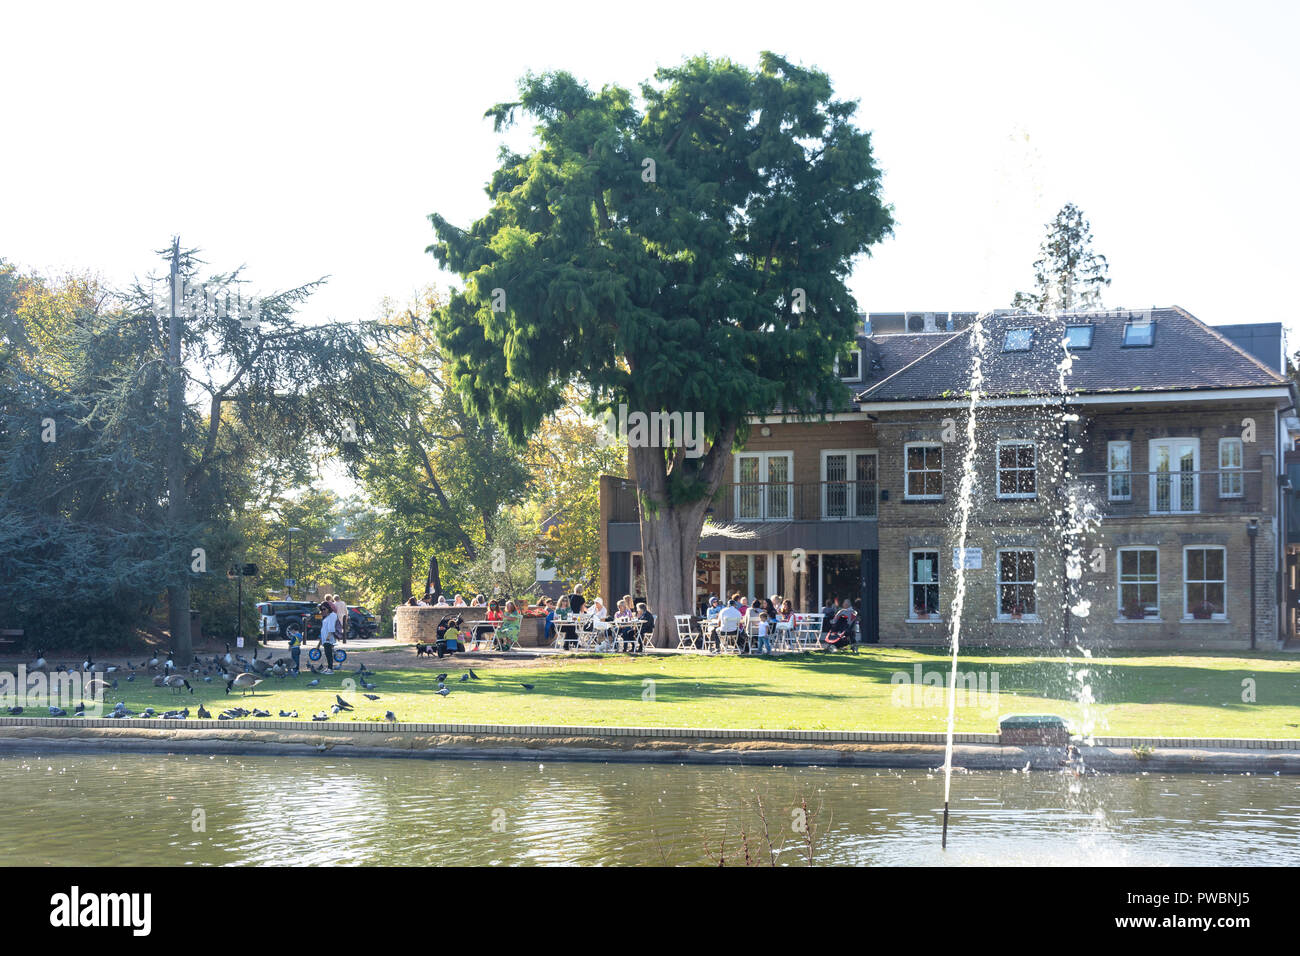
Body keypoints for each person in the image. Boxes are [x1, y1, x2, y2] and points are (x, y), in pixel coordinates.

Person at [318, 602, 338, 672]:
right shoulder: (327, 616)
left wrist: (328, 636)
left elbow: (331, 627)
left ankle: (330, 668)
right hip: (325, 637)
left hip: (328, 638)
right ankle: (329, 668)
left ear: (328, 608)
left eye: (324, 609)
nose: (323, 611)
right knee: (327, 653)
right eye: (321, 609)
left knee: (328, 653)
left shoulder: (332, 615)